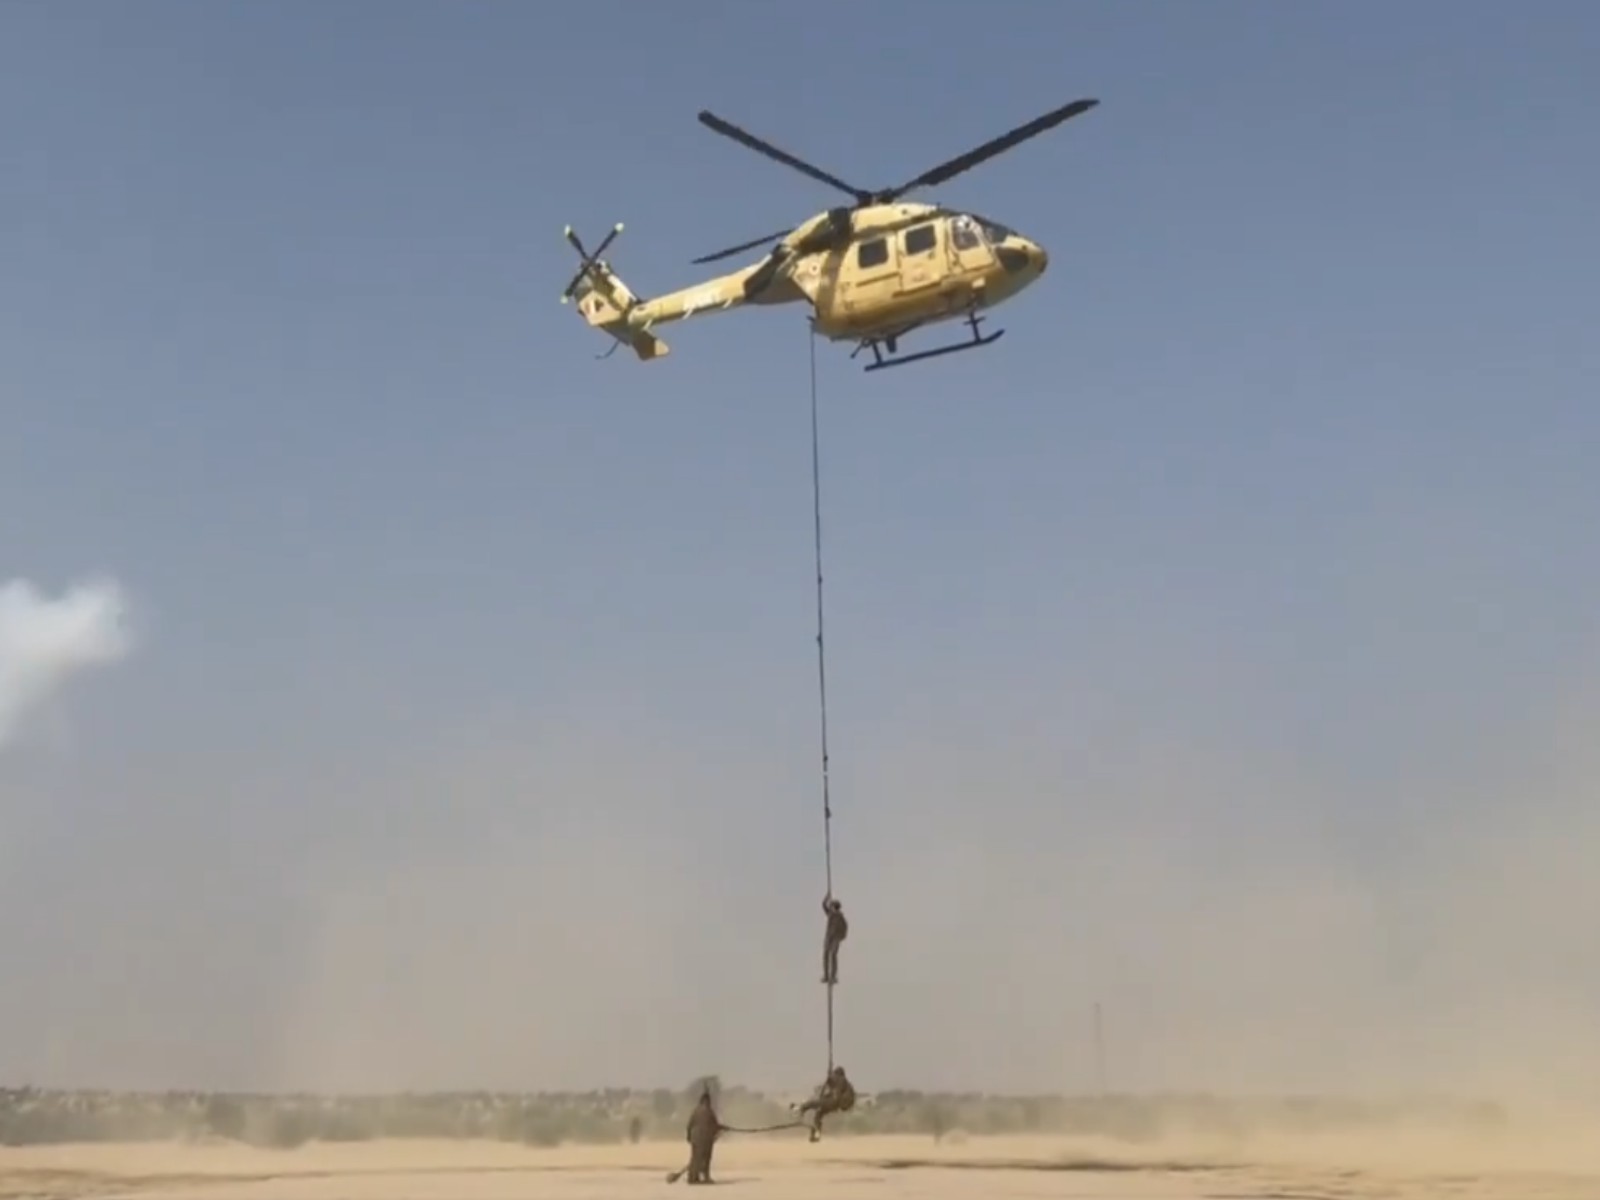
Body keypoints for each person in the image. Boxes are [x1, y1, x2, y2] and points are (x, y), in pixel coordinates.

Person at [795, 1065, 856, 1142]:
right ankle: (817, 1134)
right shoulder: (844, 1083)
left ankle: (799, 1111)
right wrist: (829, 1081)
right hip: (835, 1105)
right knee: (818, 1115)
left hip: (833, 1102)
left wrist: (830, 1078)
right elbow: (834, 1089)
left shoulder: (840, 1080)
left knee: (811, 1103)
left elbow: (835, 1093)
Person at [684, 1084, 721, 1184]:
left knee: (695, 1158)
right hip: (705, 1139)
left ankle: (692, 1177)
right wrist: (718, 1130)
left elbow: (689, 1124)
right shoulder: (709, 1111)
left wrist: (688, 1136)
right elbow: (715, 1125)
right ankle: (705, 1177)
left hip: (695, 1138)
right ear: (708, 1101)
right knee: (706, 1158)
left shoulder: (696, 1111)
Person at [821, 893, 847, 985]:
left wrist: (839, 938)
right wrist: (827, 898)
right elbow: (823, 905)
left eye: (833, 906)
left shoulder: (840, 918)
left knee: (833, 955)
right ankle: (826, 975)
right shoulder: (831, 915)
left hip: (835, 938)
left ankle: (833, 976)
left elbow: (844, 930)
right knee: (826, 955)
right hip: (829, 938)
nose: (831, 908)